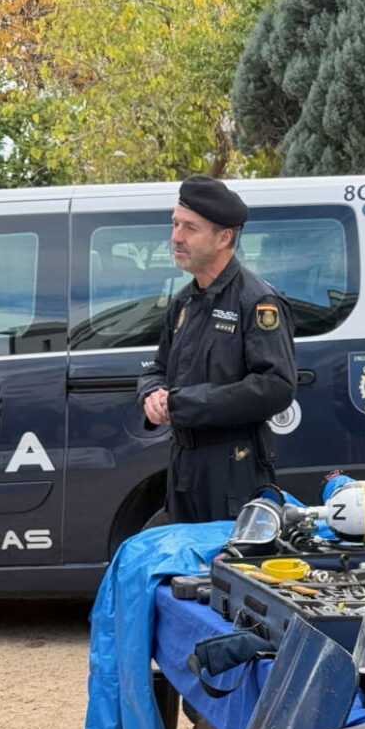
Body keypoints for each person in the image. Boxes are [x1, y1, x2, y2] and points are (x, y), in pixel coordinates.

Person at [138, 175, 297, 524]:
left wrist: (183, 404)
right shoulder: (183, 302)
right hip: (183, 464)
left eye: (190, 228)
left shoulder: (256, 301)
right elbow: (157, 368)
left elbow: (276, 386)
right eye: (175, 224)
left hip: (234, 467)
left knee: (228, 557)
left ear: (224, 237)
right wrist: (151, 396)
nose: (176, 237)